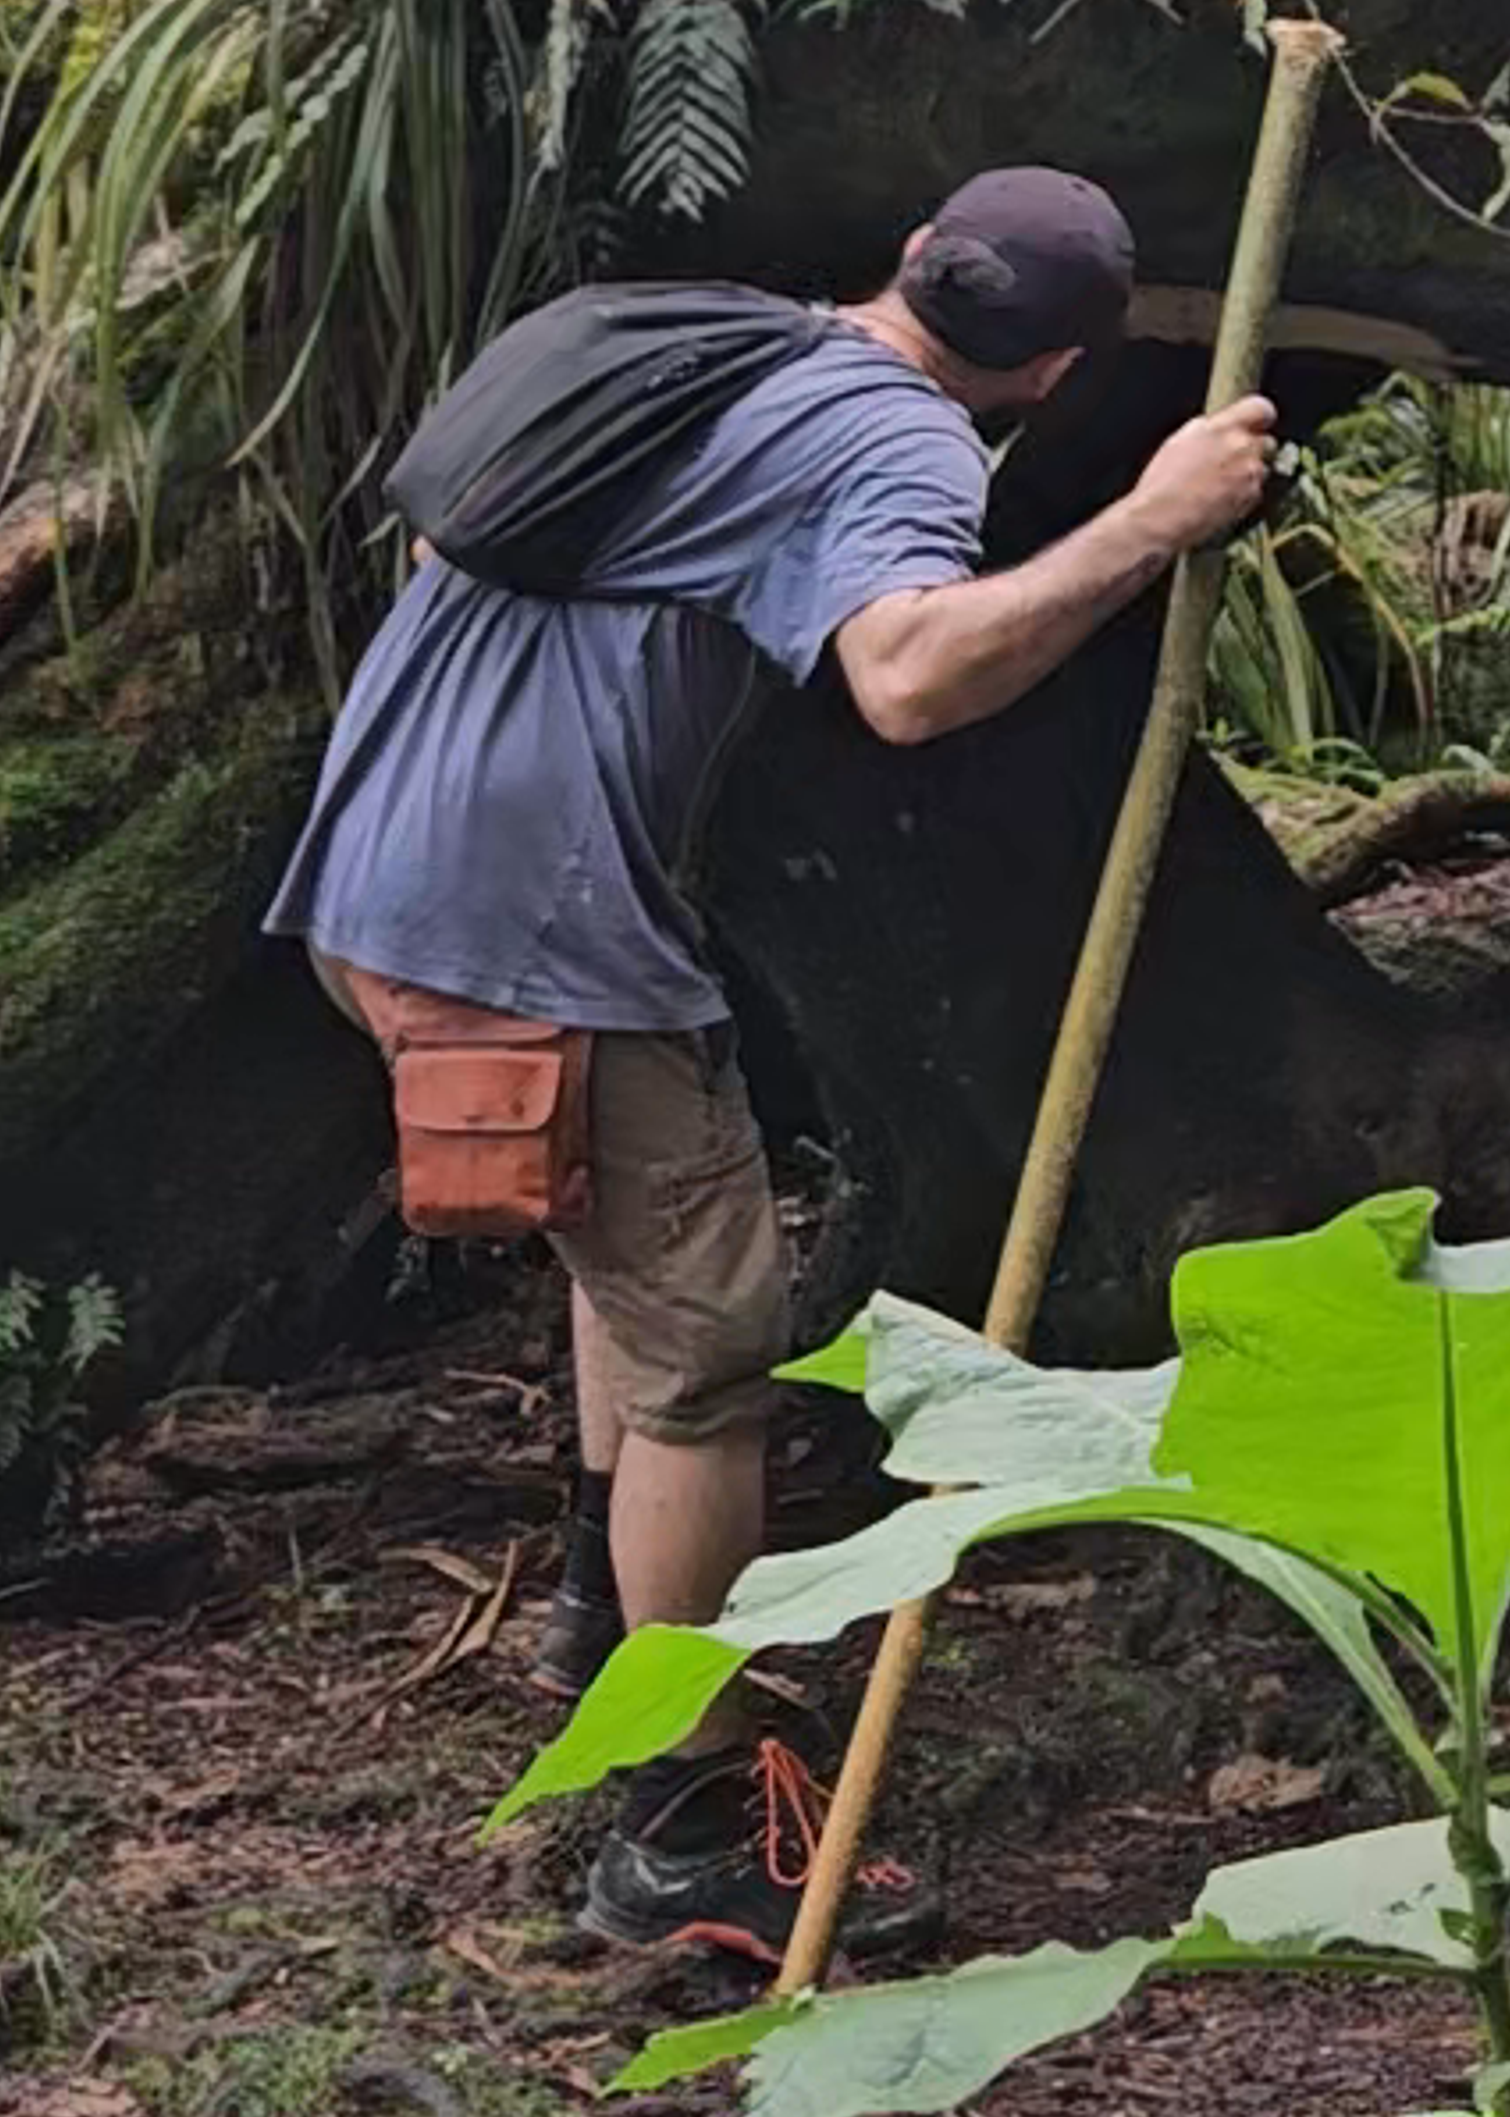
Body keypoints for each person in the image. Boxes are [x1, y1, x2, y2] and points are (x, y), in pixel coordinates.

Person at [270, 167, 1275, 1960]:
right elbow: (902, 674)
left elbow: (438, 542)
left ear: (905, 258)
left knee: (636, 1279)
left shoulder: (716, 354)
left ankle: (611, 1641)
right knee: (711, 1352)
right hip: (536, 933)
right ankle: (684, 1818)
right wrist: (1151, 521)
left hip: (376, 877)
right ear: (1050, 374)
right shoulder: (891, 441)